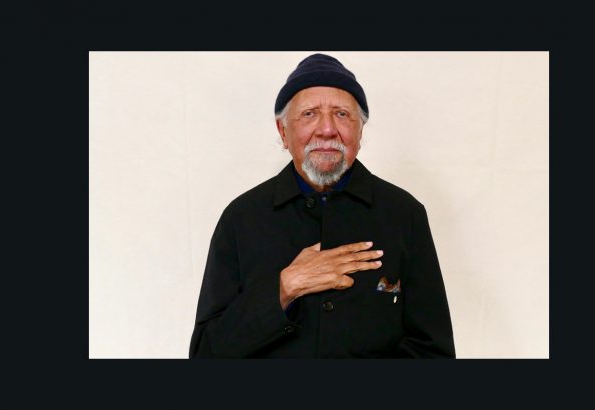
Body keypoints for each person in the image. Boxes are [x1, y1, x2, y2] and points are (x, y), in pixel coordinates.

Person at [189, 53, 455, 358]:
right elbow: (205, 353)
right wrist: (284, 288)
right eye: (309, 114)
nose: (327, 129)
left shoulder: (405, 215)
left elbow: (433, 352)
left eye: (342, 114)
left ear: (360, 131)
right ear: (283, 132)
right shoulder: (241, 219)